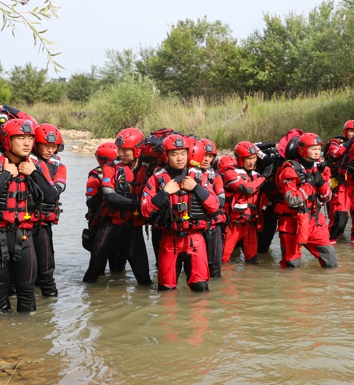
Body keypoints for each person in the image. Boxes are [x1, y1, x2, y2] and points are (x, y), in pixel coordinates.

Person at [0, 118, 57, 312]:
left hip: (25, 236)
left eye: (30, 138)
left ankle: (26, 337)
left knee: (27, 291)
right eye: (21, 138)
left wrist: (34, 173)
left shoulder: (36, 165)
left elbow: (51, 197)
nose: (27, 143)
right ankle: (2, 338)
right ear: (7, 140)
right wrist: (5, 175)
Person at [141, 134, 220, 291]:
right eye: (174, 154)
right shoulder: (156, 179)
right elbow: (145, 211)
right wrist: (164, 193)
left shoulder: (198, 177)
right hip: (169, 241)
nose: (179, 158)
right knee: (166, 292)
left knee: (201, 290)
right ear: (166, 155)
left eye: (183, 153)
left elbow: (215, 206)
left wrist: (196, 188)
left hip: (195, 239)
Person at [83, 128, 152, 285]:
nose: (120, 153)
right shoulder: (110, 167)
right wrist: (139, 205)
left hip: (134, 228)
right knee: (93, 273)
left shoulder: (148, 167)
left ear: (137, 149)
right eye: (119, 148)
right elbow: (110, 195)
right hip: (110, 226)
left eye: (125, 150)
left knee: (144, 278)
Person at [274, 133, 338, 268]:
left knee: (330, 259)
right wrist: (308, 185)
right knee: (292, 264)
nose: (317, 152)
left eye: (319, 149)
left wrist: (321, 184)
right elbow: (292, 199)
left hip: (313, 220)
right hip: (292, 222)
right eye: (313, 148)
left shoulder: (321, 169)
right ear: (303, 149)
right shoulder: (289, 170)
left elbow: (326, 197)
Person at [31, 123, 66, 297]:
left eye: (53, 147)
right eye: (46, 145)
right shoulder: (22, 160)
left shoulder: (59, 166)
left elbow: (52, 194)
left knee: (46, 270)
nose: (50, 150)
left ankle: (50, 310)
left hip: (42, 222)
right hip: (21, 222)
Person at [221, 141, 269, 264]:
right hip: (233, 225)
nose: (252, 162)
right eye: (248, 158)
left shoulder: (256, 175)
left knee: (252, 260)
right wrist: (264, 177)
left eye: (254, 158)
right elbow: (247, 189)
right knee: (223, 260)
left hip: (250, 224)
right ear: (240, 159)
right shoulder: (230, 173)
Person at [326, 120, 354, 241]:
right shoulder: (336, 142)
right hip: (336, 183)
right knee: (337, 220)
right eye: (351, 131)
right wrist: (351, 143)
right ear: (345, 132)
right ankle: (330, 241)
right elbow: (335, 153)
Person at [199, 138, 226, 277]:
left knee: (215, 269)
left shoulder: (216, 177)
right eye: (204, 155)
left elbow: (221, 202)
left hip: (214, 226)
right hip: (196, 227)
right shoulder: (188, 175)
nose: (206, 159)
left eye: (210, 156)